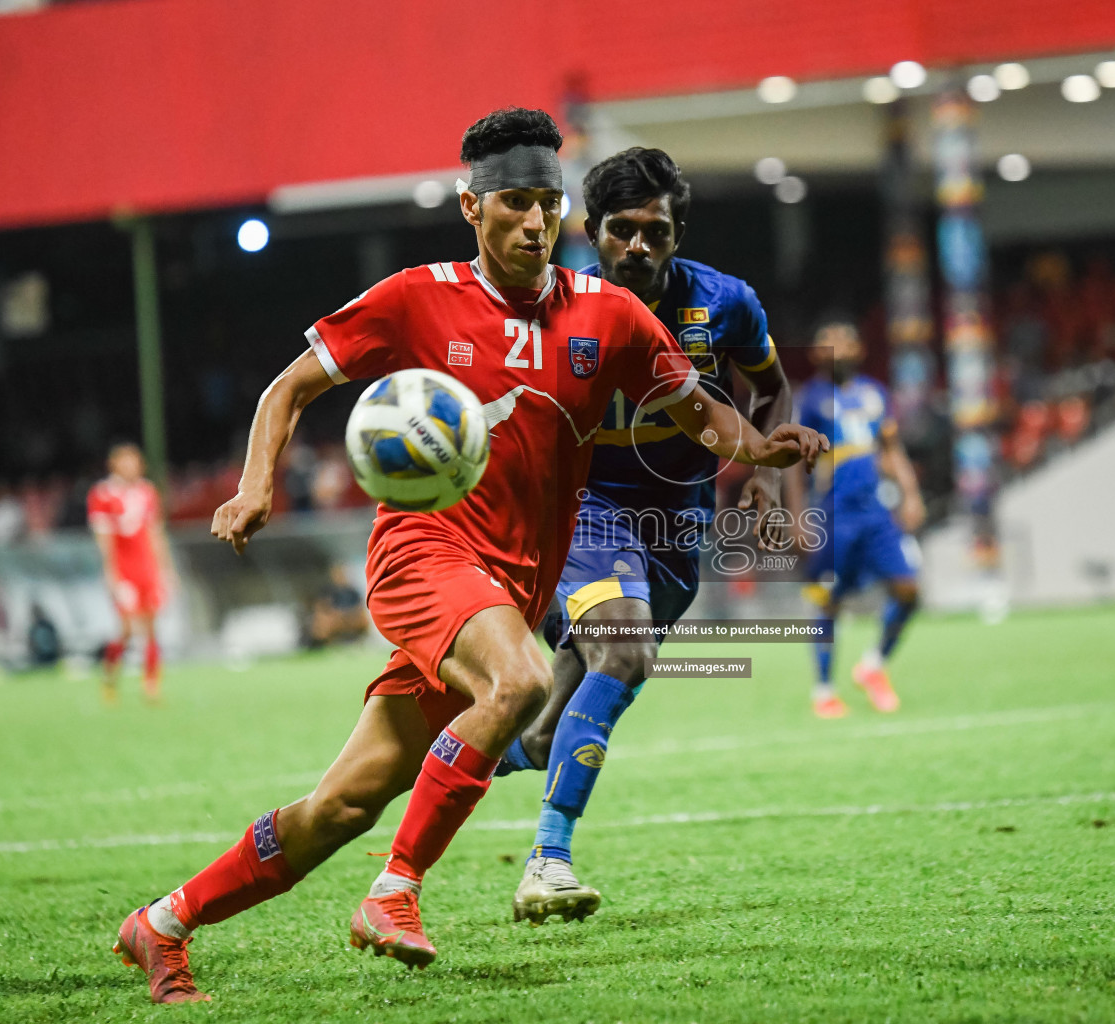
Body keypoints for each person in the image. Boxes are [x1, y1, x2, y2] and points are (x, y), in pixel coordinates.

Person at [111, 107, 825, 1004]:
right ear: (471, 208)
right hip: (425, 555)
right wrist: (258, 487)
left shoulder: (609, 314)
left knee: (342, 806)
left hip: (513, 587)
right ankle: (396, 892)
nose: (536, 222)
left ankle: (164, 923)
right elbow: (288, 388)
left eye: (549, 204)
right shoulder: (417, 298)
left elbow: (698, 409)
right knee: (523, 685)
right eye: (516, 203)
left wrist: (758, 450)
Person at [489, 147, 792, 925]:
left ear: (677, 231)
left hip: (673, 524)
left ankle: (498, 752)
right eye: (620, 230)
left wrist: (765, 473)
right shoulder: (546, 306)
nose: (637, 247)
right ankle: (548, 860)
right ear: (593, 232)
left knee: (564, 709)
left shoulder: (725, 304)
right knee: (624, 652)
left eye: (653, 231)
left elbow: (771, 385)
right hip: (583, 514)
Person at [794, 320, 924, 719]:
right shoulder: (809, 399)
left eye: (846, 340)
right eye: (828, 341)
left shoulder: (875, 393)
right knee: (830, 603)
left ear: (860, 349)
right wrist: (796, 514)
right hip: (835, 516)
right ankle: (824, 691)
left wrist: (911, 493)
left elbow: (890, 449)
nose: (839, 348)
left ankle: (872, 667)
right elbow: (789, 464)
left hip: (876, 514)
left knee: (908, 591)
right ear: (816, 354)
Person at [87, 442, 176, 702]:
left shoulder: (147, 492)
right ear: (114, 465)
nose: (131, 467)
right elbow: (104, 540)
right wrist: (111, 574)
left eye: (134, 461)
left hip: (146, 568)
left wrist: (166, 570)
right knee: (126, 629)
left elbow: (155, 534)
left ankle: (151, 685)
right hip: (123, 570)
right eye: (125, 462)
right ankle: (110, 676)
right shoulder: (102, 494)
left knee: (151, 626)